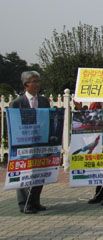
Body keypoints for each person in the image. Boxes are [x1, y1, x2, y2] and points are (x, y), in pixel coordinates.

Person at [10, 71, 49, 214]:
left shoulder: (44, 101)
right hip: (24, 144)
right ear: (26, 84)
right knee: (23, 174)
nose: (37, 84)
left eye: (38, 81)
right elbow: (14, 124)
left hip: (40, 143)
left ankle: (35, 201)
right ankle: (24, 203)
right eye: (34, 81)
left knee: (40, 172)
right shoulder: (17, 103)